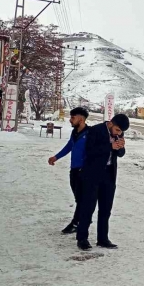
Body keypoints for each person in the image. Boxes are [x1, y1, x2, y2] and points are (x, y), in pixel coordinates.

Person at [76, 114, 129, 250]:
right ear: (110, 123)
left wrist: (120, 147)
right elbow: (90, 151)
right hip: (92, 175)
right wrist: (110, 146)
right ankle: (82, 238)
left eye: (121, 132)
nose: (119, 134)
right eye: (117, 130)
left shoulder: (118, 133)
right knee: (88, 207)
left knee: (106, 209)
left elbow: (120, 153)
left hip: (109, 175)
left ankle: (103, 238)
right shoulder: (95, 130)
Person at [48, 107, 90, 234]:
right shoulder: (75, 132)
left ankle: (76, 223)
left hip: (84, 171)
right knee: (78, 199)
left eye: (73, 118)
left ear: (81, 119)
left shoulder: (90, 134)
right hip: (74, 171)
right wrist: (56, 157)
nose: (70, 120)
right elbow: (69, 147)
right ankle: (81, 219)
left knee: (82, 199)